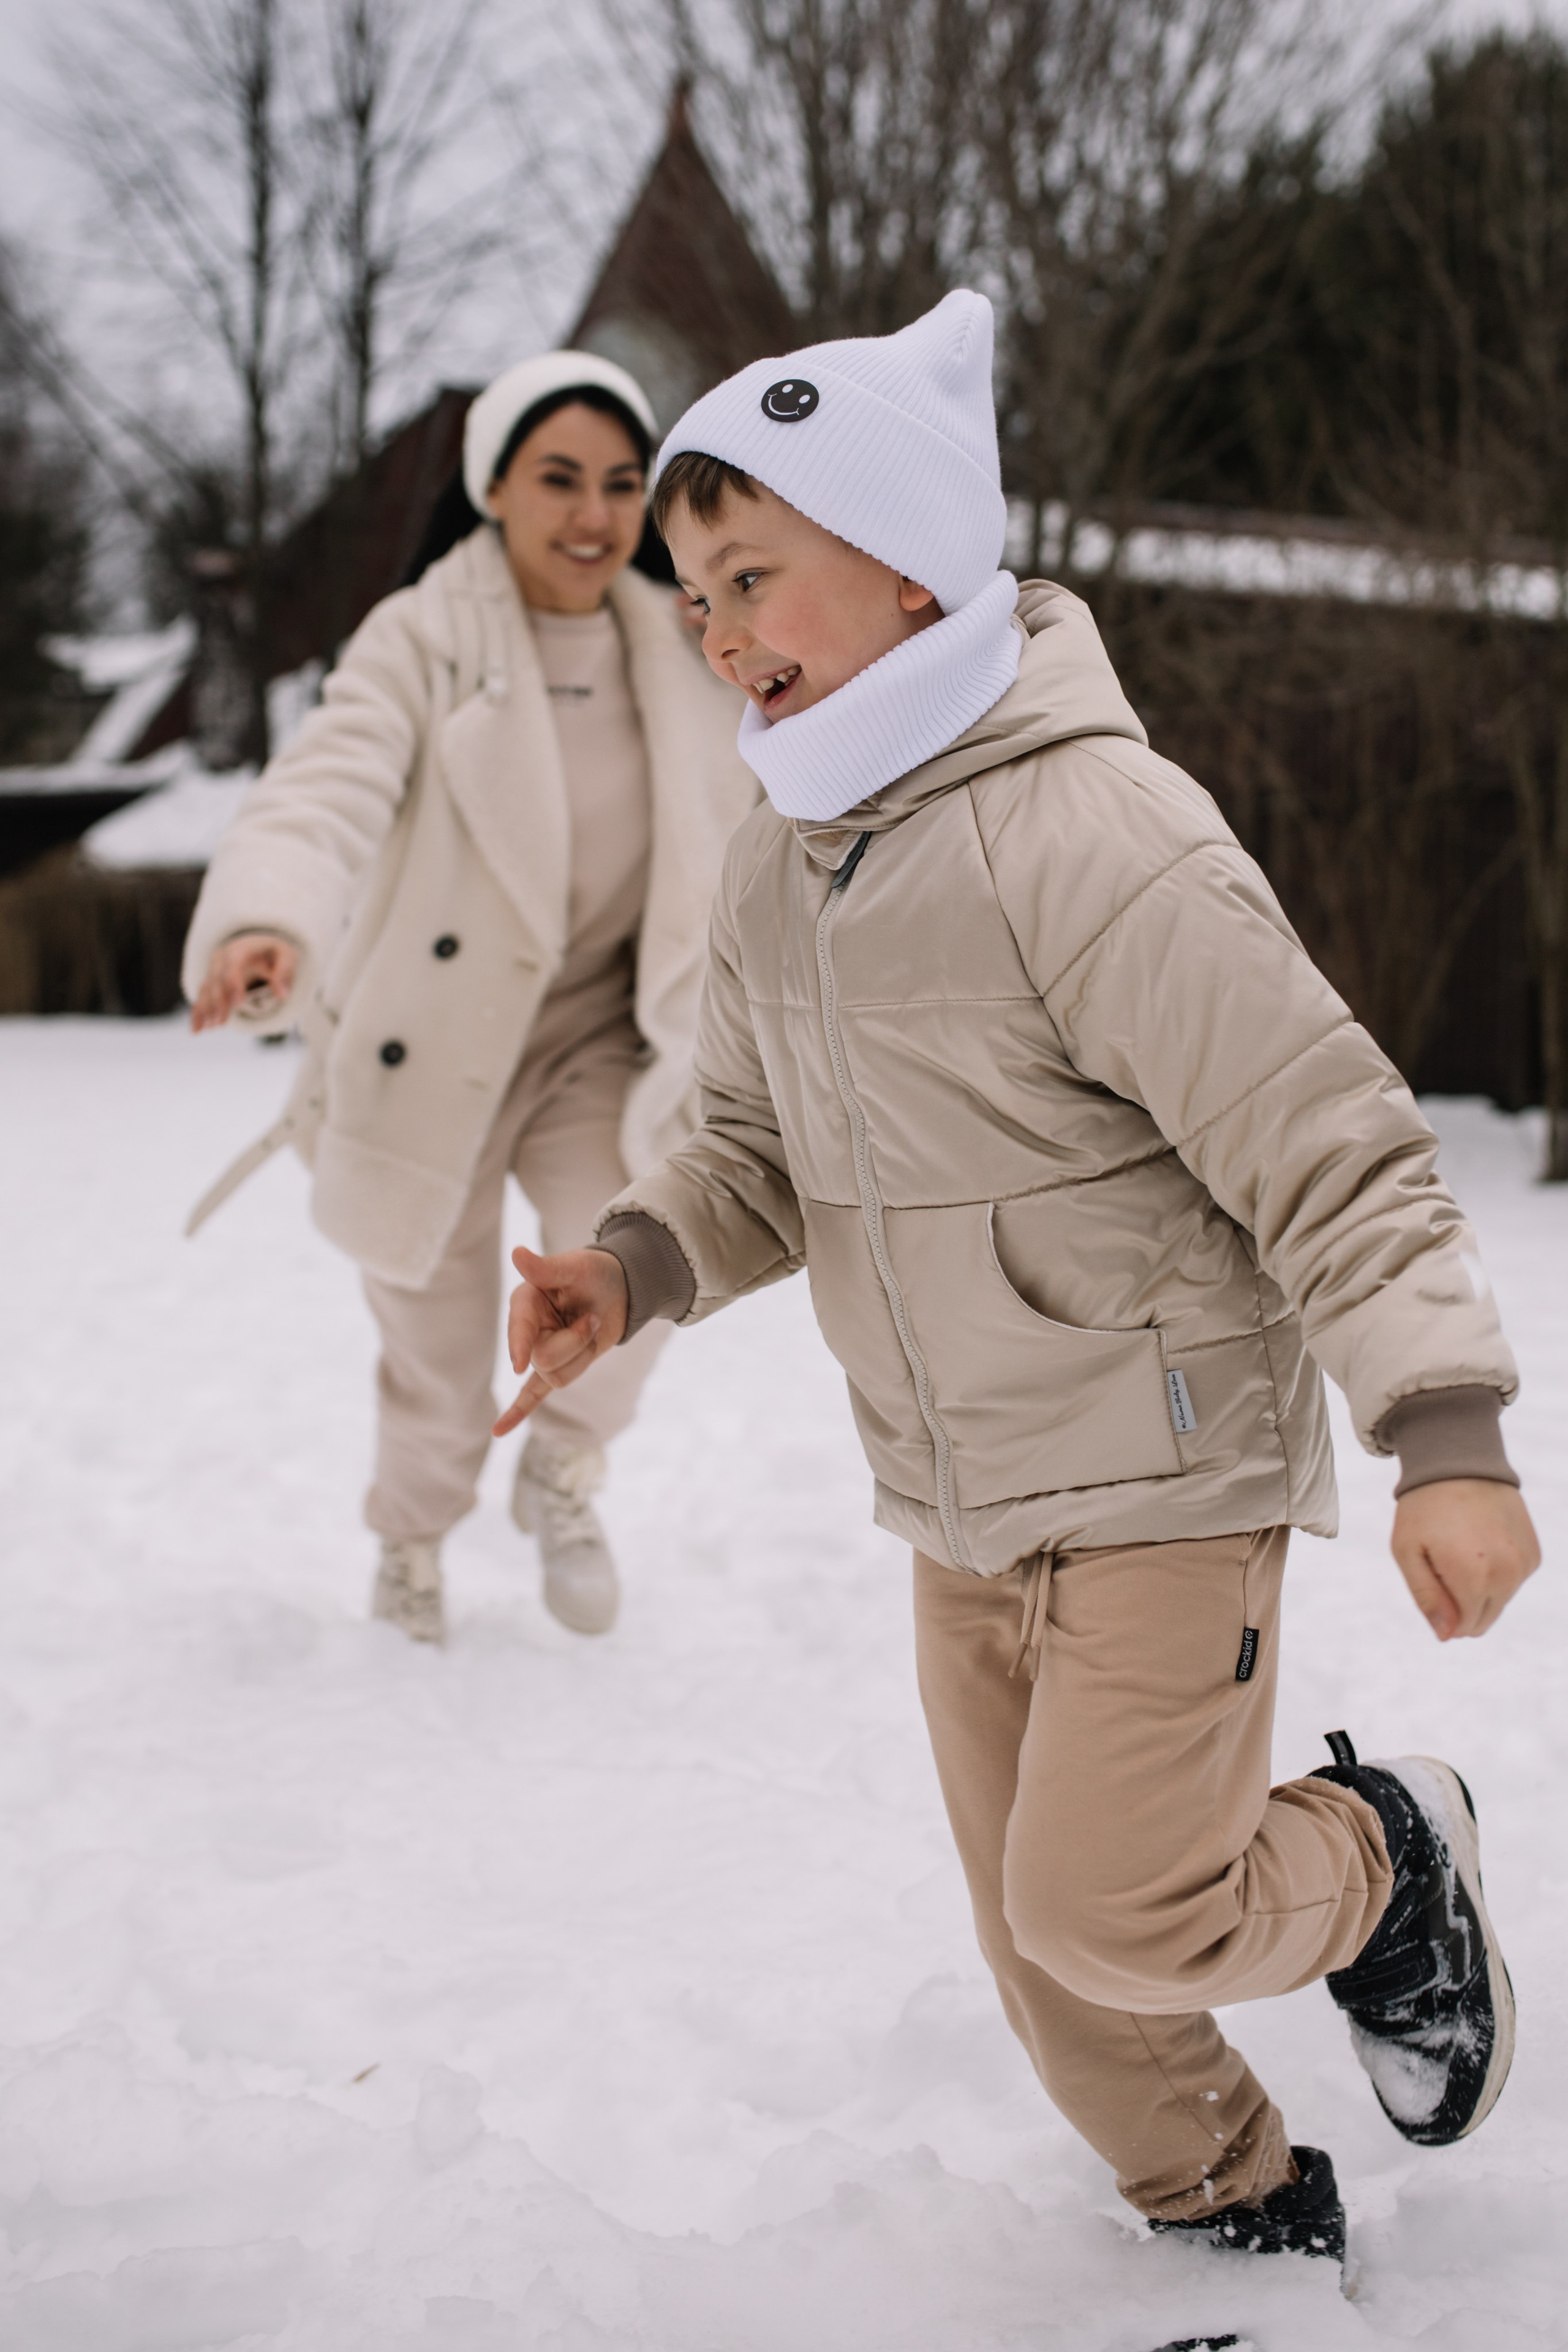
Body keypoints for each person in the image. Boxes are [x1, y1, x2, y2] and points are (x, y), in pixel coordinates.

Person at [491, 294, 1541, 2266]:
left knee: (1114, 1906)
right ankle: (1229, 2205)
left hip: (1159, 1473)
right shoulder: (784, 859)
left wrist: (1447, 1431)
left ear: (906, 567)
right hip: (957, 1493)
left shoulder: (1095, 829)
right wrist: (631, 1269)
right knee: (1040, 1943)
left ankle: (1386, 1859)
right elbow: (748, 1151)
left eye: (748, 577)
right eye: (691, 595)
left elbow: (1328, 1137)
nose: (715, 634)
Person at [183, 350, 755, 1644]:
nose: (593, 515)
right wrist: (268, 920)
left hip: (603, 1040)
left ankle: (563, 1468)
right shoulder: (422, 636)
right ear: (494, 488)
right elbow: (326, 782)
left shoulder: (683, 643)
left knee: (631, 1259)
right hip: (430, 1046)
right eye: (557, 479)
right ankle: (412, 1541)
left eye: (620, 482)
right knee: (436, 1357)